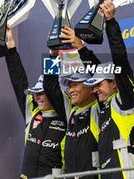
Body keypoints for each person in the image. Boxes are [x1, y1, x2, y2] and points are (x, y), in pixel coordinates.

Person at [81, 0, 134, 179]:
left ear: (114, 82)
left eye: (99, 85)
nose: (95, 90)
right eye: (94, 85)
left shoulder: (127, 103)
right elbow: (96, 70)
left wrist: (110, 23)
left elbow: (121, 62)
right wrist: (80, 48)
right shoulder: (105, 108)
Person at [4, 25, 66, 179]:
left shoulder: (67, 115)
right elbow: (19, 81)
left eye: (40, 93)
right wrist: (11, 45)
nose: (36, 97)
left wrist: (54, 54)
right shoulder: (33, 111)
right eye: (35, 93)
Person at [43, 30, 100, 178]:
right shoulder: (71, 112)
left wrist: (81, 47)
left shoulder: (101, 108)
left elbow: (99, 74)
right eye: (69, 85)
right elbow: (49, 86)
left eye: (75, 84)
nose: (71, 89)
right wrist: (53, 54)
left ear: (91, 85)